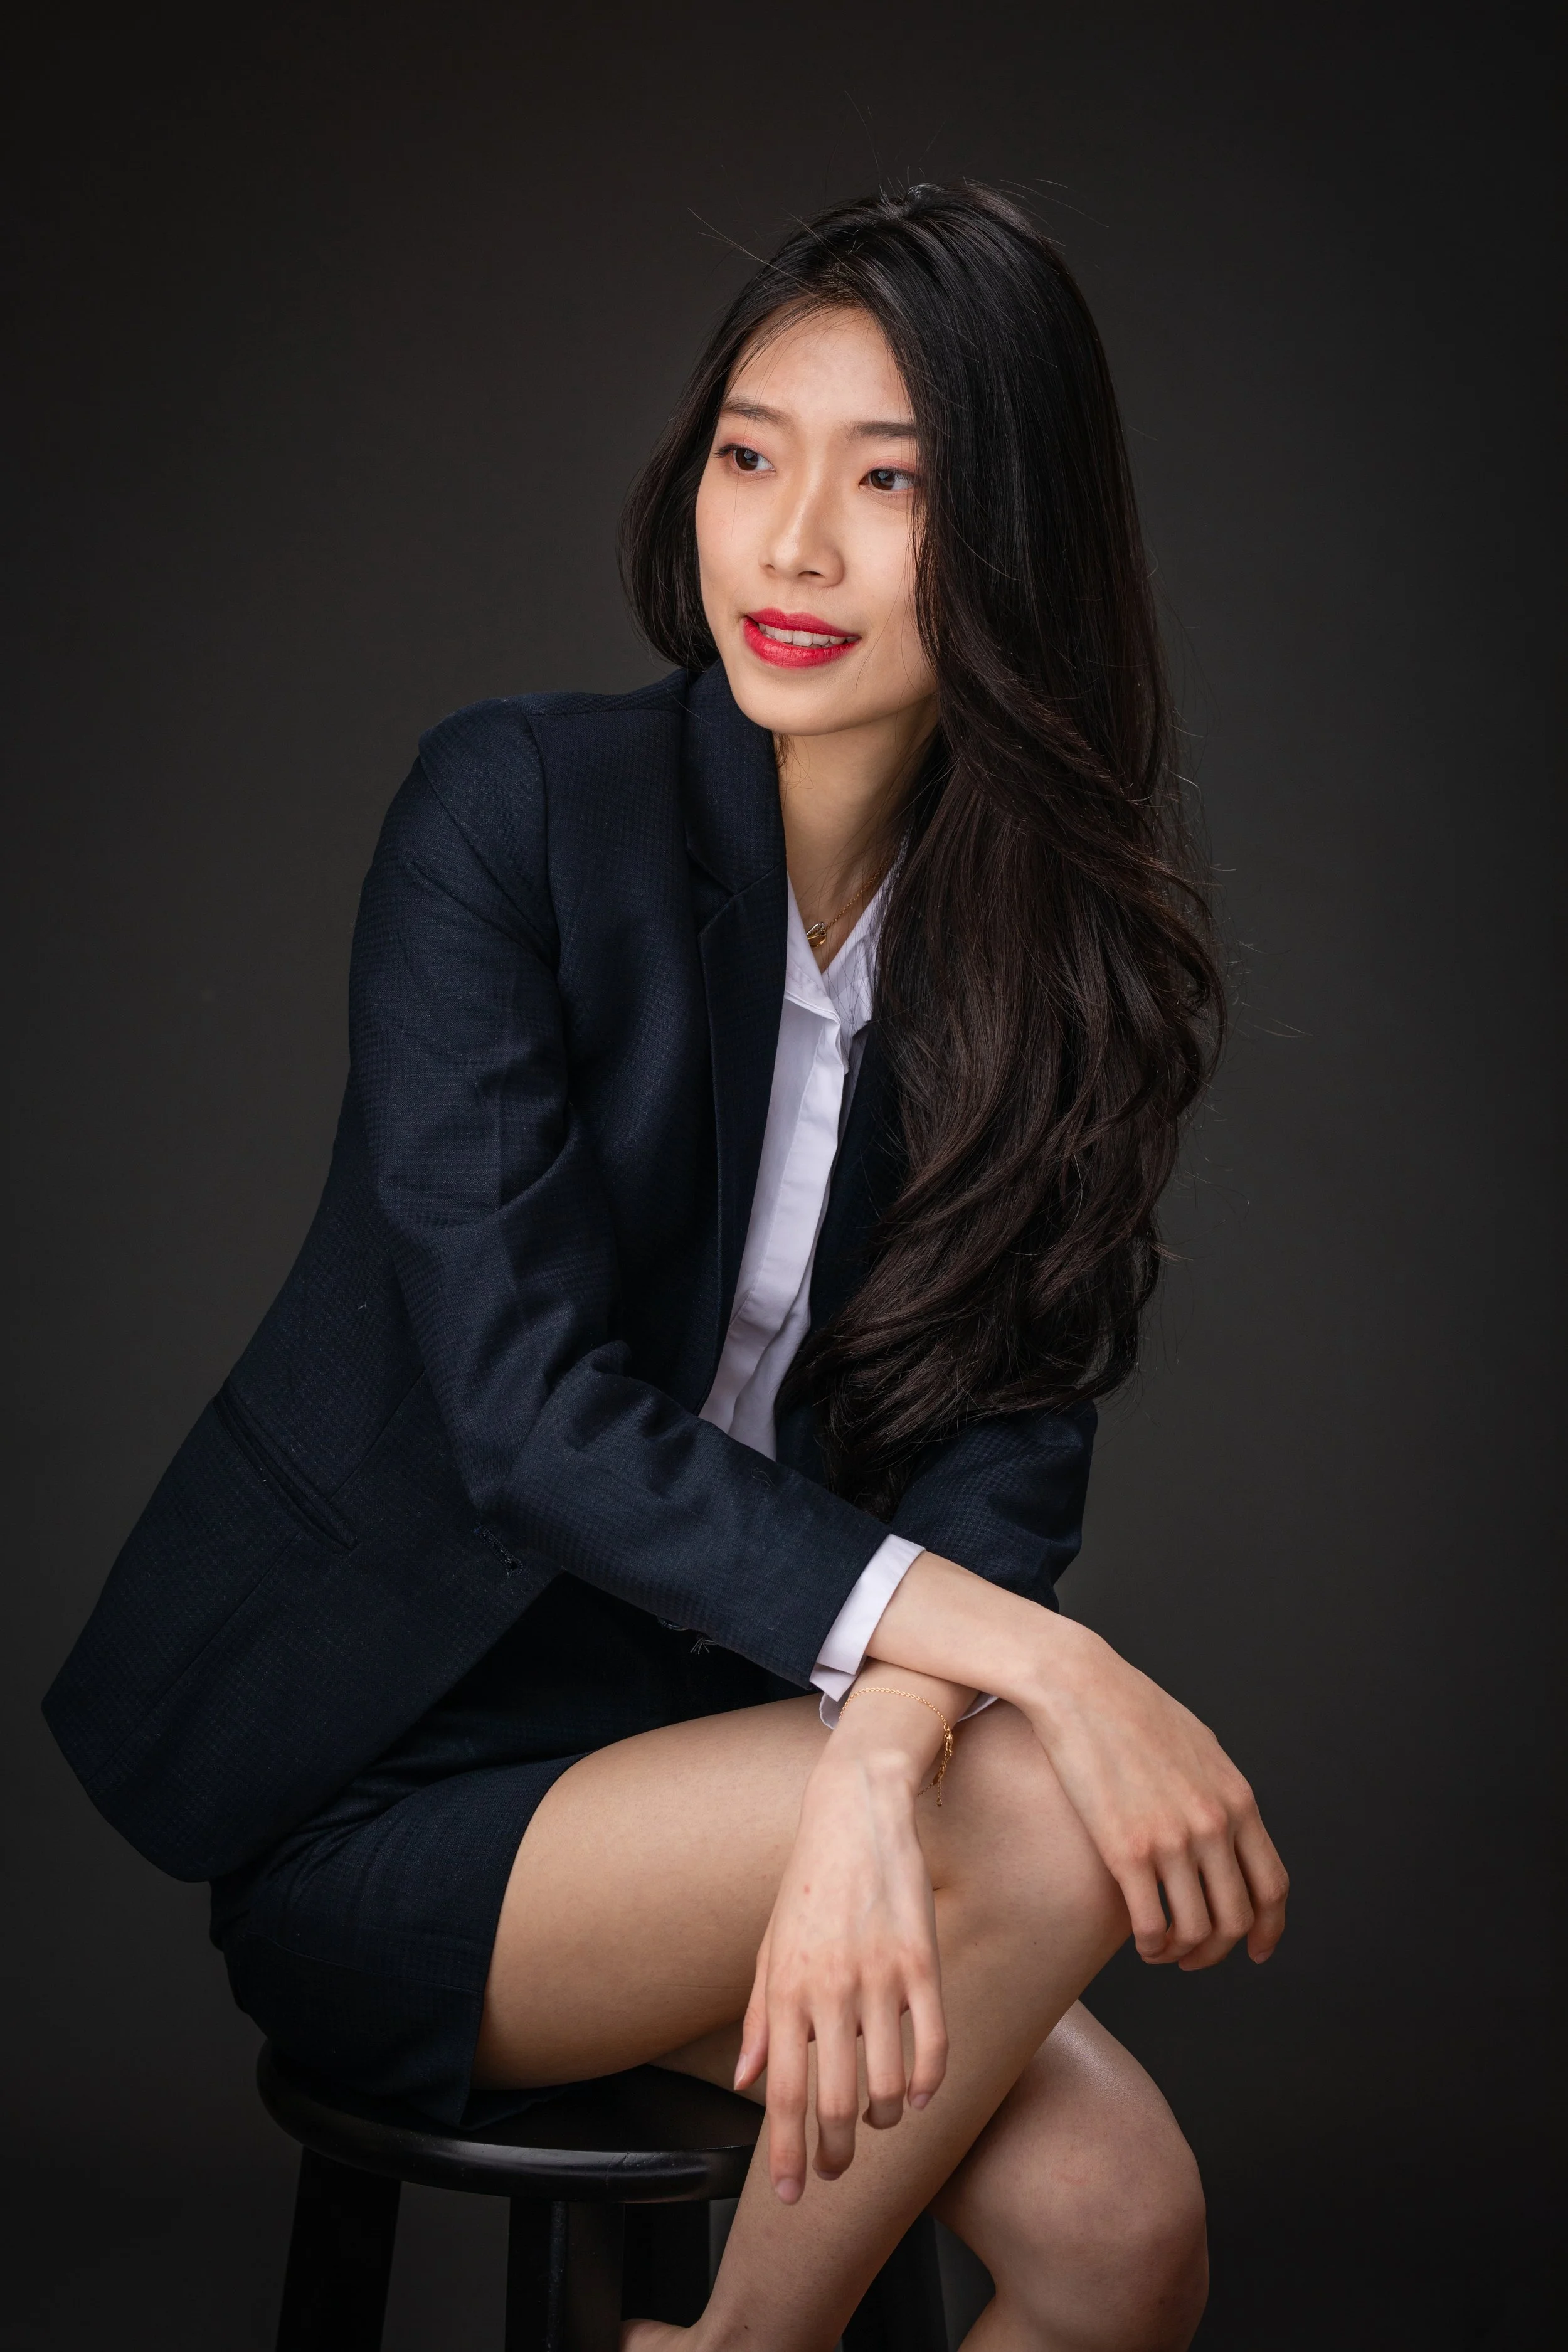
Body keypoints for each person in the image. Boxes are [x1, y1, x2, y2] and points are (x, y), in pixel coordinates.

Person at [45, 183, 1288, 2351]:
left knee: (1119, 2224)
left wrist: (866, 1782)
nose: (790, 544)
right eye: (747, 450)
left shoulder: (1048, 969)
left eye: (887, 481)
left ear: (1019, 534)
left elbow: (1000, 1465)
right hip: (400, 1792)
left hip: (748, 1777)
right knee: (1067, 1808)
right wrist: (1046, 1679)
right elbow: (527, 1419)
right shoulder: (512, 816)